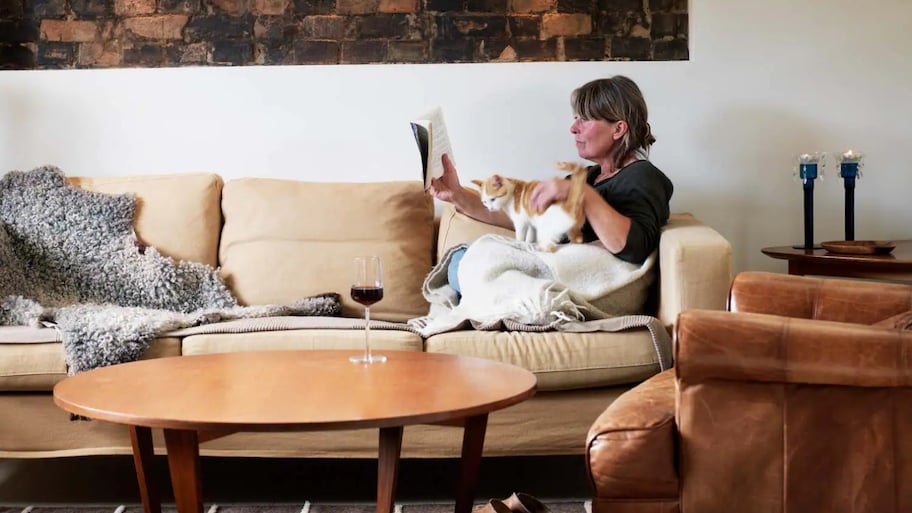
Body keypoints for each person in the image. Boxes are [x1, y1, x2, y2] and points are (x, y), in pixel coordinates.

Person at [430, 76, 673, 294]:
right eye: (575, 118)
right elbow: (517, 215)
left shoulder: (642, 176)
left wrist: (582, 195)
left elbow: (635, 248)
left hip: (576, 282)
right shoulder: (588, 177)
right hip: (553, 271)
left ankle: (506, 296)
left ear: (618, 129)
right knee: (462, 260)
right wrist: (456, 193)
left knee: (469, 266)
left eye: (585, 119)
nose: (573, 128)